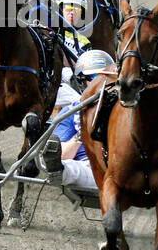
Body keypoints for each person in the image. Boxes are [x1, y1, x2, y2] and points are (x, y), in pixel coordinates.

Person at [39, 49, 117, 191]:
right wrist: (81, 135)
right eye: (94, 76)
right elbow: (62, 155)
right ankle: (60, 173)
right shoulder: (71, 112)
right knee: (69, 168)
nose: (101, 82)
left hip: (123, 165)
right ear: (81, 81)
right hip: (89, 167)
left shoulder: (126, 107)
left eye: (105, 76)